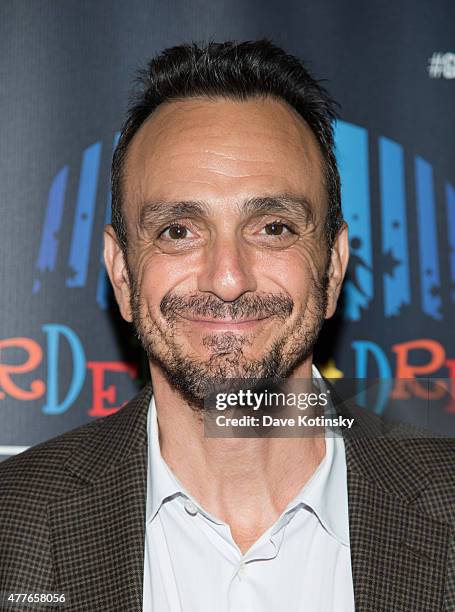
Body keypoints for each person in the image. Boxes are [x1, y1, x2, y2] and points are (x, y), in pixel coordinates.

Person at [0, 40, 453, 612]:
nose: (229, 278)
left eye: (274, 228)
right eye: (178, 231)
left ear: (333, 267)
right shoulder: (11, 521)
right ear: (121, 273)